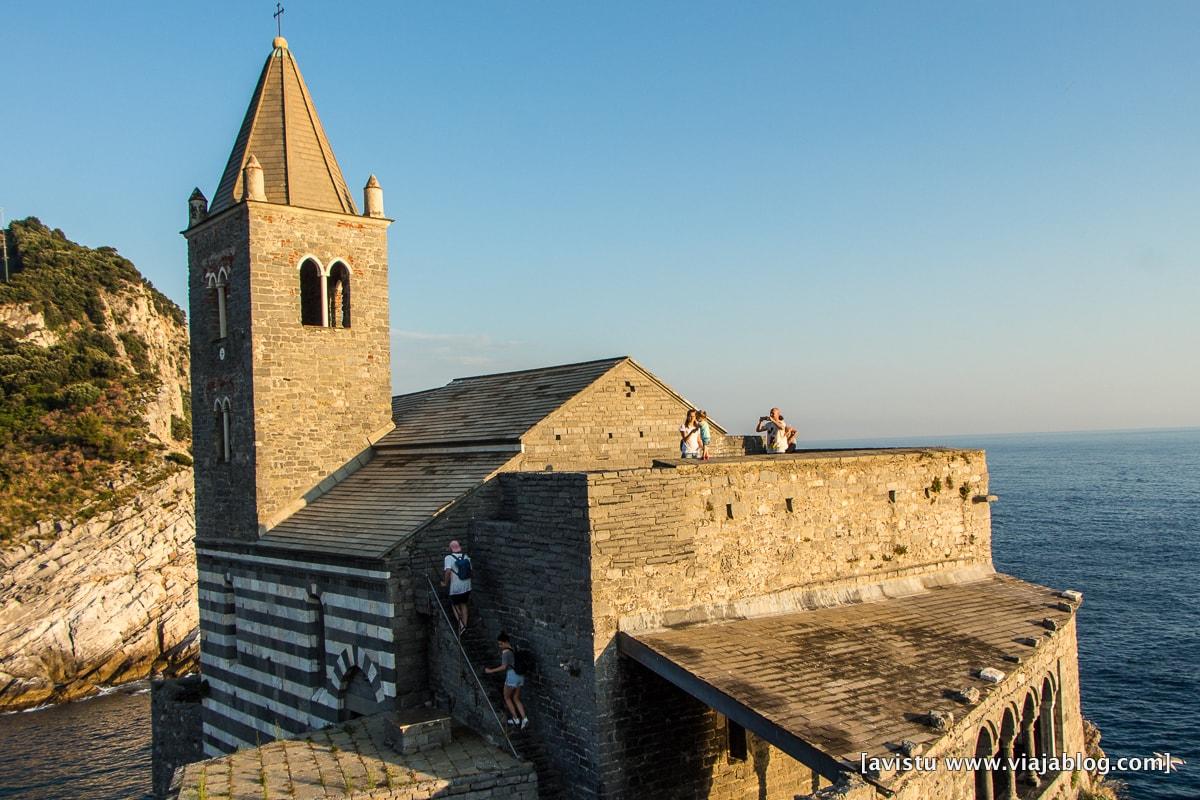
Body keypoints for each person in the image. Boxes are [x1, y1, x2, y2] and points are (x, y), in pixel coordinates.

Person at [484, 632, 528, 730]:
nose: (500, 646)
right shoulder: (513, 649)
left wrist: (490, 671)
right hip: (520, 676)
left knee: (507, 697)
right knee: (516, 698)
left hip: (512, 676)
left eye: (501, 644)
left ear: (505, 642)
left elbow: (504, 667)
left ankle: (516, 719)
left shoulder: (505, 652)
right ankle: (524, 719)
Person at [442, 540, 472, 635]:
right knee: (463, 604)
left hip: (456, 587)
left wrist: (445, 583)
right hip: (467, 586)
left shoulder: (448, 558)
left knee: (454, 605)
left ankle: (461, 625)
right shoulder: (466, 557)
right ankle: (465, 624)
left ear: (451, 548)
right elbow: (471, 570)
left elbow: (448, 572)